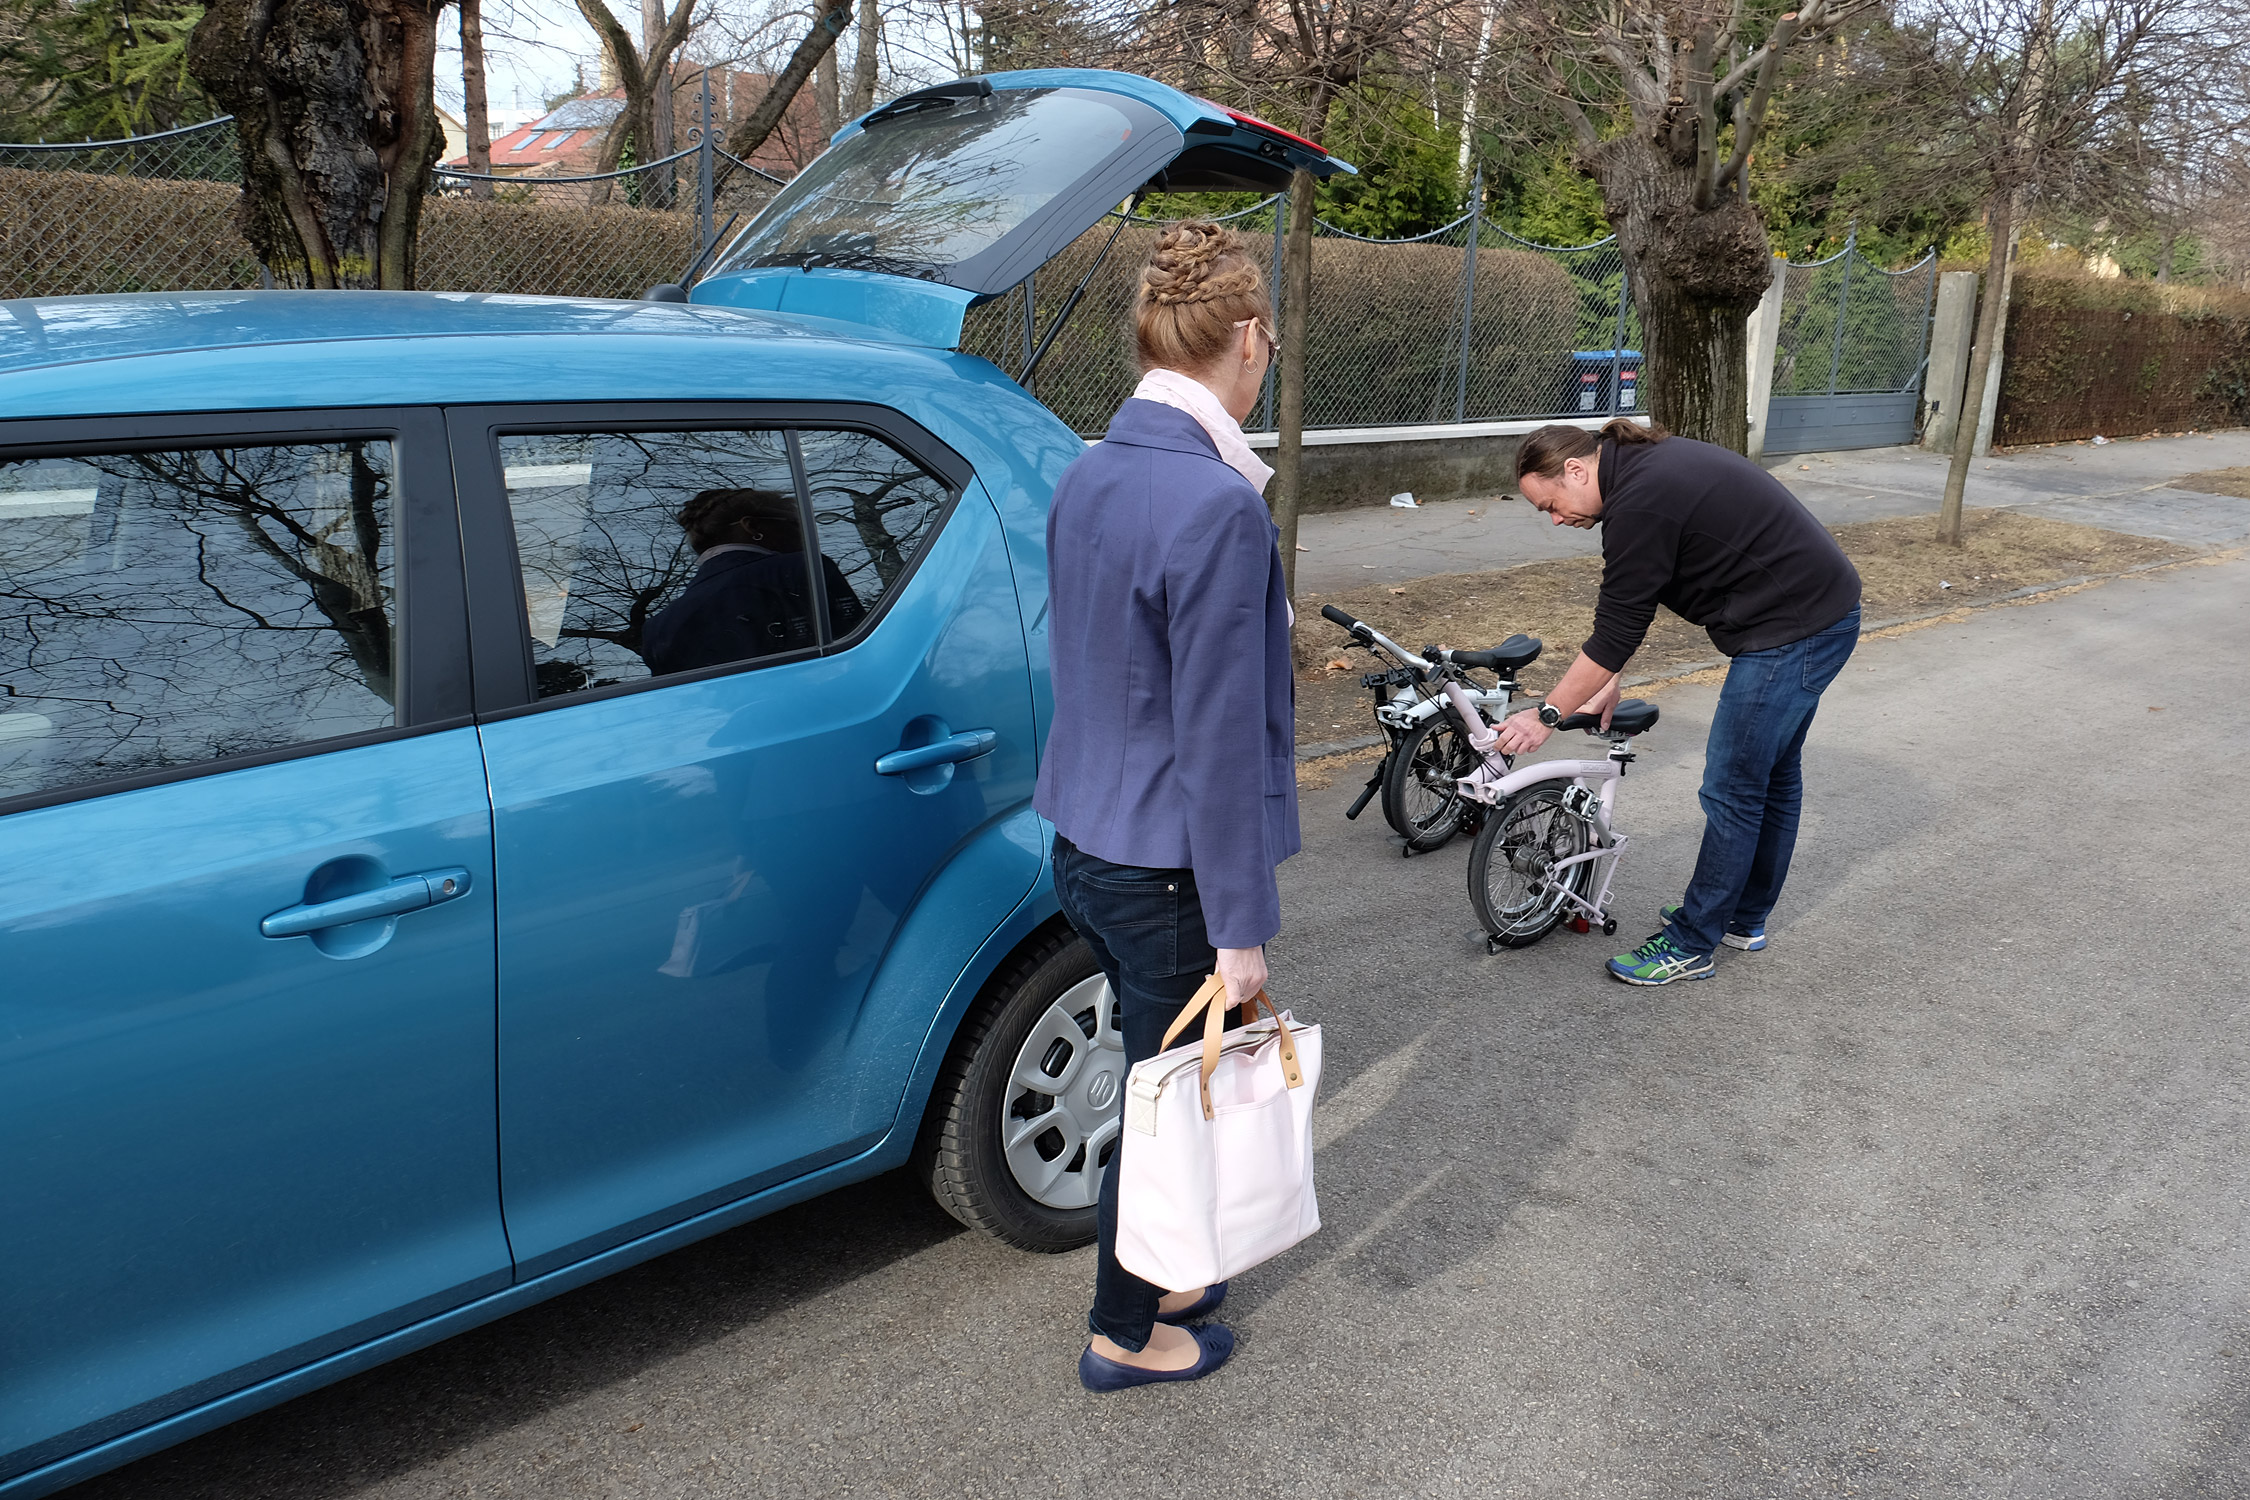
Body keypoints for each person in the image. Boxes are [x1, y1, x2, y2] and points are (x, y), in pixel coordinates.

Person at [1034, 221, 1298, 1390]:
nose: (1272, 358)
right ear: (1246, 340)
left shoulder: (1089, 471)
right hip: (1171, 868)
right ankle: (1124, 1332)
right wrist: (1241, 930)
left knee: (1159, 1079)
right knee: (1163, 1106)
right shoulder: (1217, 504)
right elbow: (1220, 739)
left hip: (1085, 843)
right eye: (1271, 342)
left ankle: (1175, 1275)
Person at [1494, 417, 1862, 986]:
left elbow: (1618, 626)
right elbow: (1636, 600)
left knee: (1734, 786)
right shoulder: (1637, 472)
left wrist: (1547, 714)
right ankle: (1743, 918)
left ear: (1574, 470)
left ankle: (1692, 942)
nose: (1555, 519)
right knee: (1772, 776)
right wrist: (1605, 675)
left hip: (1793, 630)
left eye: (1549, 505)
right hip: (1818, 610)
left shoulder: (1639, 499)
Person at [641, 487, 865, 675]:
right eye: (796, 524)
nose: (806, 535)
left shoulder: (656, 627)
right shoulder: (801, 569)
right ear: (753, 527)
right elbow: (859, 654)